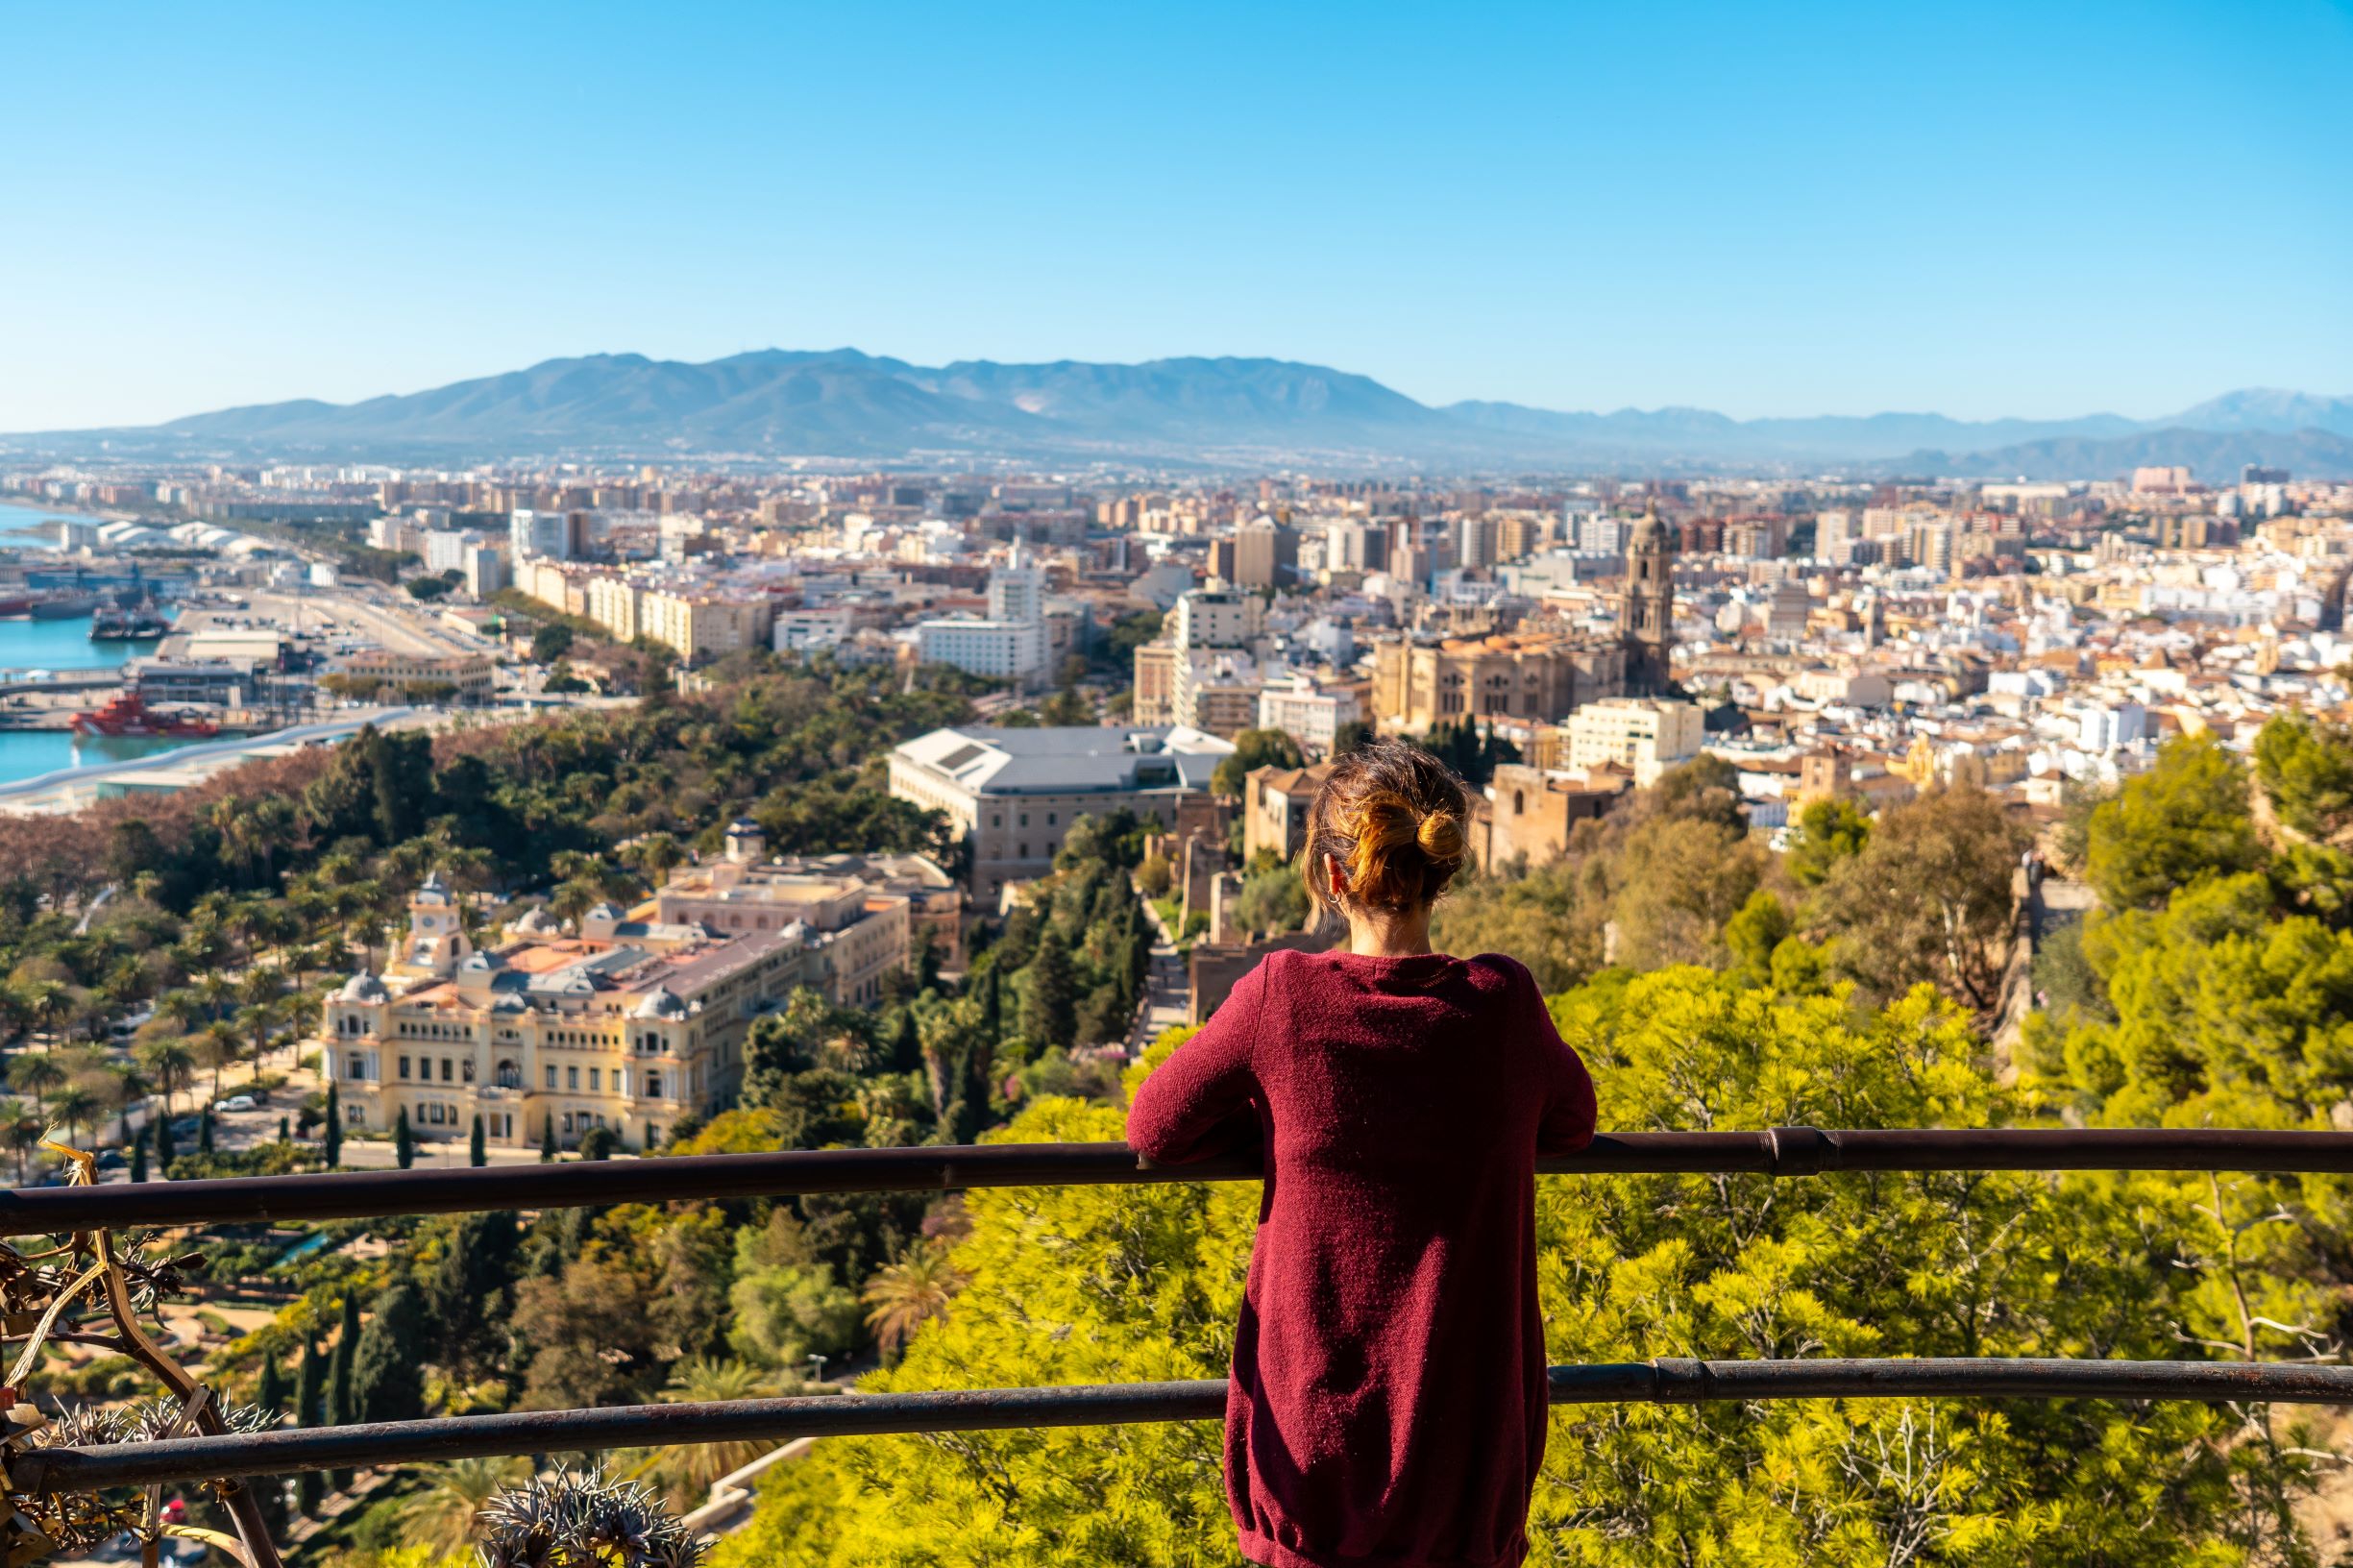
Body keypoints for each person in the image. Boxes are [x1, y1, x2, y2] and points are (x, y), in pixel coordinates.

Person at [1128, 738, 1598, 1568]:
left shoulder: (1282, 996)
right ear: (1441, 869)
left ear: (1333, 875)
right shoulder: (1504, 1004)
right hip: (1468, 1441)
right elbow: (1569, 1125)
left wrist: (1277, 1123)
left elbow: (1155, 1129)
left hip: (1311, 1440)